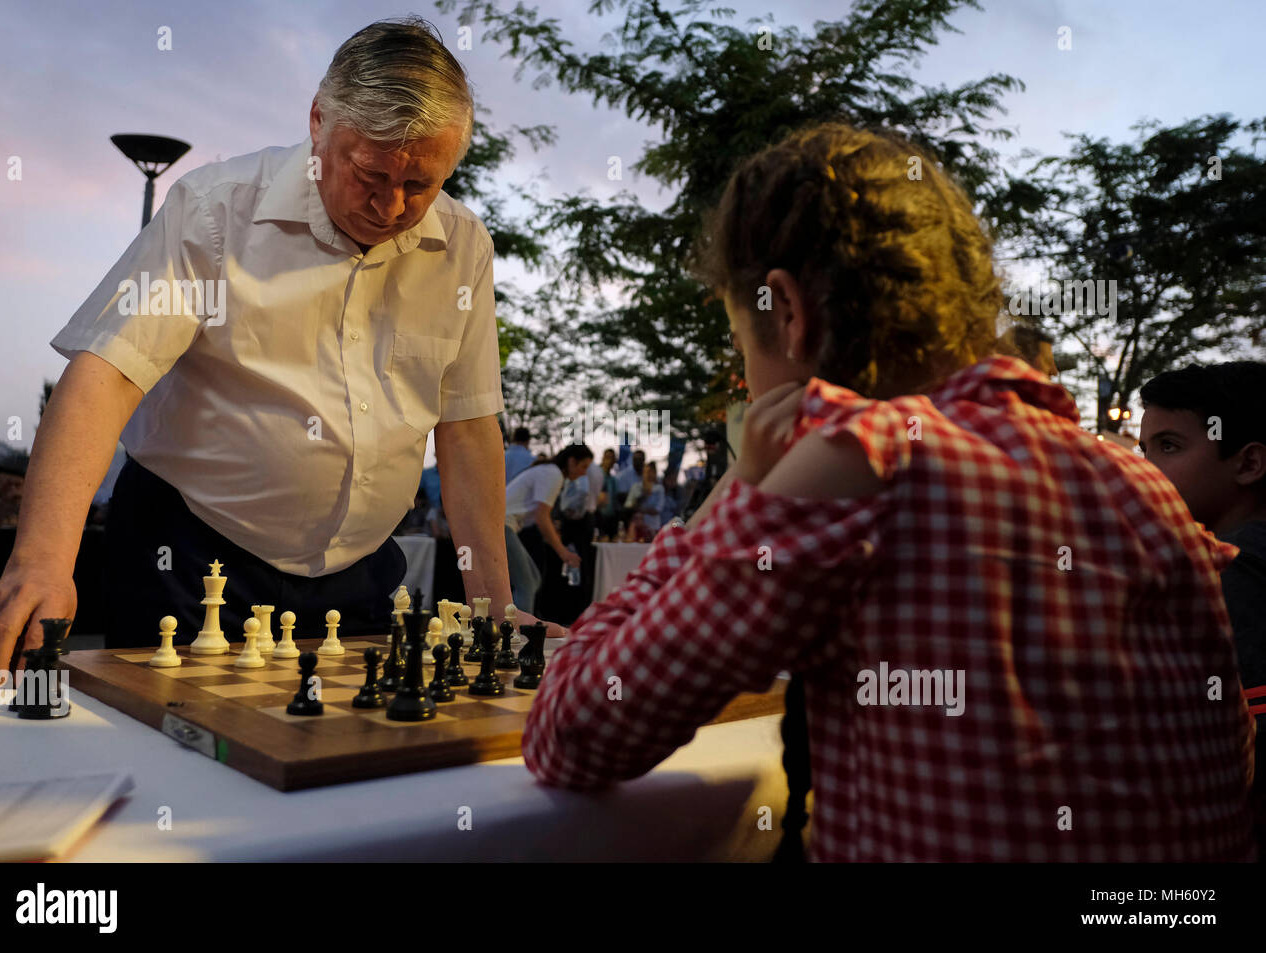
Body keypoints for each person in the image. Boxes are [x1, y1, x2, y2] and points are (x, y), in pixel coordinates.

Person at [522, 122, 1254, 861]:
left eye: (743, 344)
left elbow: (573, 731)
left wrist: (739, 489)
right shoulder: (1140, 486)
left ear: (787, 311)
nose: (747, 382)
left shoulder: (859, 460)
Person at [0, 19, 562, 666]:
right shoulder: (214, 210)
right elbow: (107, 374)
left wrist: (492, 609)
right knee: (177, 761)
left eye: (419, 185)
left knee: (349, 757)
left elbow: (468, 425)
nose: (391, 206)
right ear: (318, 121)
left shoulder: (465, 245)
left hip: (360, 573)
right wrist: (43, 561)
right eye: (369, 174)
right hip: (191, 558)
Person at [1139, 361, 1266, 849]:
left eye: (1168, 447)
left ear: (1249, 464)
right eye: (1143, 448)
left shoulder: (1237, 571)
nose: (1146, 468)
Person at [503, 445, 591, 613]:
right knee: (526, 585)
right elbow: (541, 517)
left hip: (506, 525)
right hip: (502, 525)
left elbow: (541, 516)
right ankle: (518, 634)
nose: (584, 473)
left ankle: (510, 624)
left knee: (533, 580)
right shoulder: (553, 474)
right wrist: (563, 552)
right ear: (571, 462)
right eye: (583, 466)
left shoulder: (549, 471)